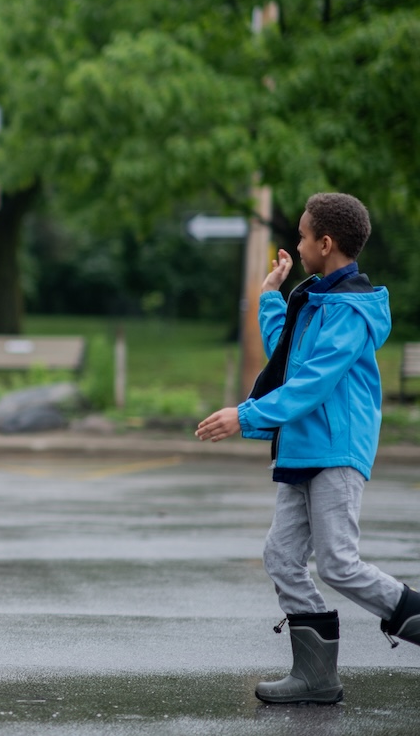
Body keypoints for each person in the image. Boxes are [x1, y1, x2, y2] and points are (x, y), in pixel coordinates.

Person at [195, 192, 419, 704]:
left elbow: (313, 383)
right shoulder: (315, 299)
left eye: (301, 235)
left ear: (325, 242)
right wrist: (272, 296)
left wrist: (244, 415)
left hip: (335, 449)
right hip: (303, 447)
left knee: (339, 563)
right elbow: (290, 358)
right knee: (281, 556)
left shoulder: (349, 310)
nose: (296, 244)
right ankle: (316, 676)